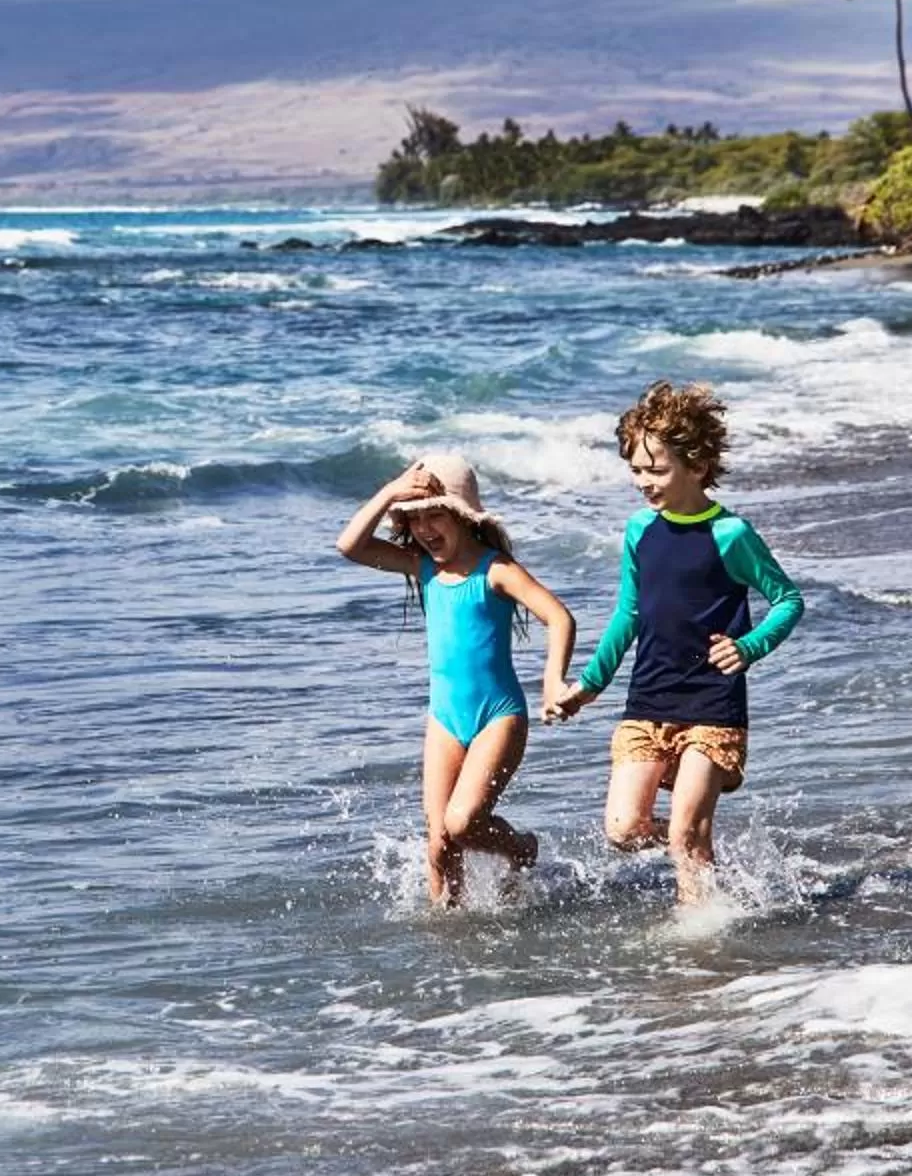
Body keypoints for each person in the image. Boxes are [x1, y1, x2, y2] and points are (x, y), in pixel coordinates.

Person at [544, 382, 803, 907]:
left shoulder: (730, 534)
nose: (643, 481)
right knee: (623, 829)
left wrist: (749, 647)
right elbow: (628, 613)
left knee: (687, 830)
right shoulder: (640, 530)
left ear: (699, 465)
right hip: (649, 700)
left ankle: (699, 939)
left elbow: (788, 600)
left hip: (713, 704)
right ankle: (702, 854)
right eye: (636, 470)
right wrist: (589, 686)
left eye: (656, 470)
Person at [337, 455, 578, 907]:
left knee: (463, 823)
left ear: (464, 518)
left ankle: (522, 848)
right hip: (444, 719)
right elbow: (350, 546)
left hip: (498, 717)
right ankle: (447, 943)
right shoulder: (423, 567)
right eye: (415, 519)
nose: (425, 529)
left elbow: (559, 618)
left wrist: (552, 683)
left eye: (436, 516)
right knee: (438, 844)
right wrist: (391, 491)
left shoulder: (497, 570)